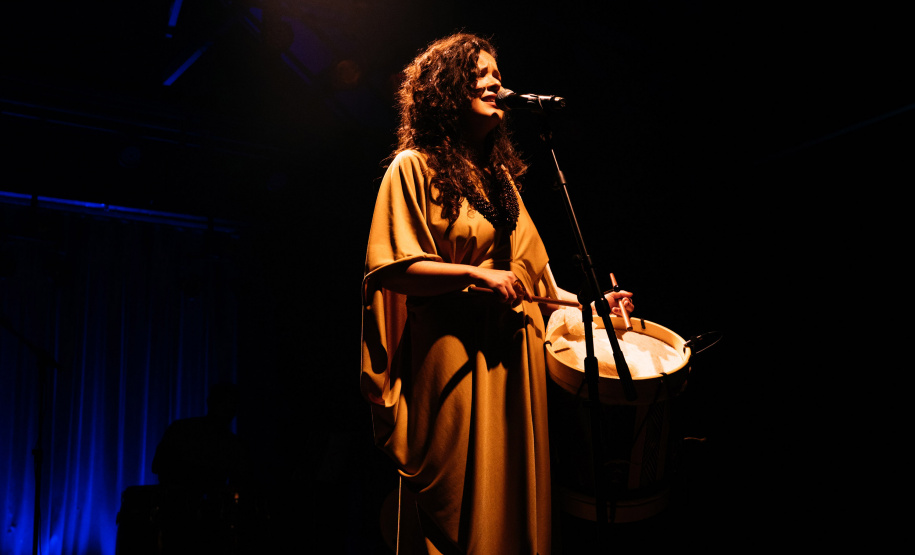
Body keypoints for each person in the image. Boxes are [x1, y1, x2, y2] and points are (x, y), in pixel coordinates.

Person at [360, 33, 633, 554]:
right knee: (463, 508)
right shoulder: (413, 167)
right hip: (457, 360)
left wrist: (596, 308)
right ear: (445, 92)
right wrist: (475, 275)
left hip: (513, 361)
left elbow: (541, 286)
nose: (494, 83)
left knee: (513, 504)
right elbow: (392, 268)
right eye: (478, 75)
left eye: (496, 75)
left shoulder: (502, 181)